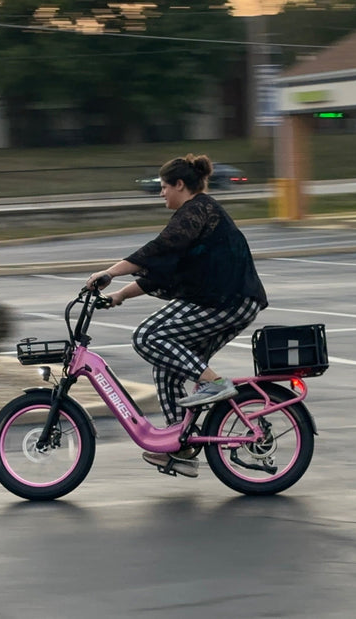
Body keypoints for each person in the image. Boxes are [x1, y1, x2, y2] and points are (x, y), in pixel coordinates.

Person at [86, 154, 268, 478]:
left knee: (147, 336)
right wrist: (120, 295)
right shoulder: (197, 217)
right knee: (166, 367)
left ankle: (215, 384)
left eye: (163, 187)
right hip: (219, 299)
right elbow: (164, 272)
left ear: (180, 185)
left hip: (229, 301)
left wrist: (110, 272)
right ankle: (180, 448)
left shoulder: (198, 209)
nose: (161, 194)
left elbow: (157, 250)